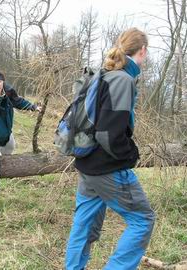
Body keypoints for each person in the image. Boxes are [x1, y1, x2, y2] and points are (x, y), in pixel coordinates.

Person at [65, 28, 156, 270]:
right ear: (142, 50)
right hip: (107, 167)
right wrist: (131, 155)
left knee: (83, 224)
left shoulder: (103, 74)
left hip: (86, 163)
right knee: (142, 220)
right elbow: (109, 134)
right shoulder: (123, 80)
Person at [0, 67, 41, 212]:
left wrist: (33, 107)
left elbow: (18, 101)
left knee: (11, 146)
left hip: (5, 135)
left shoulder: (8, 92)